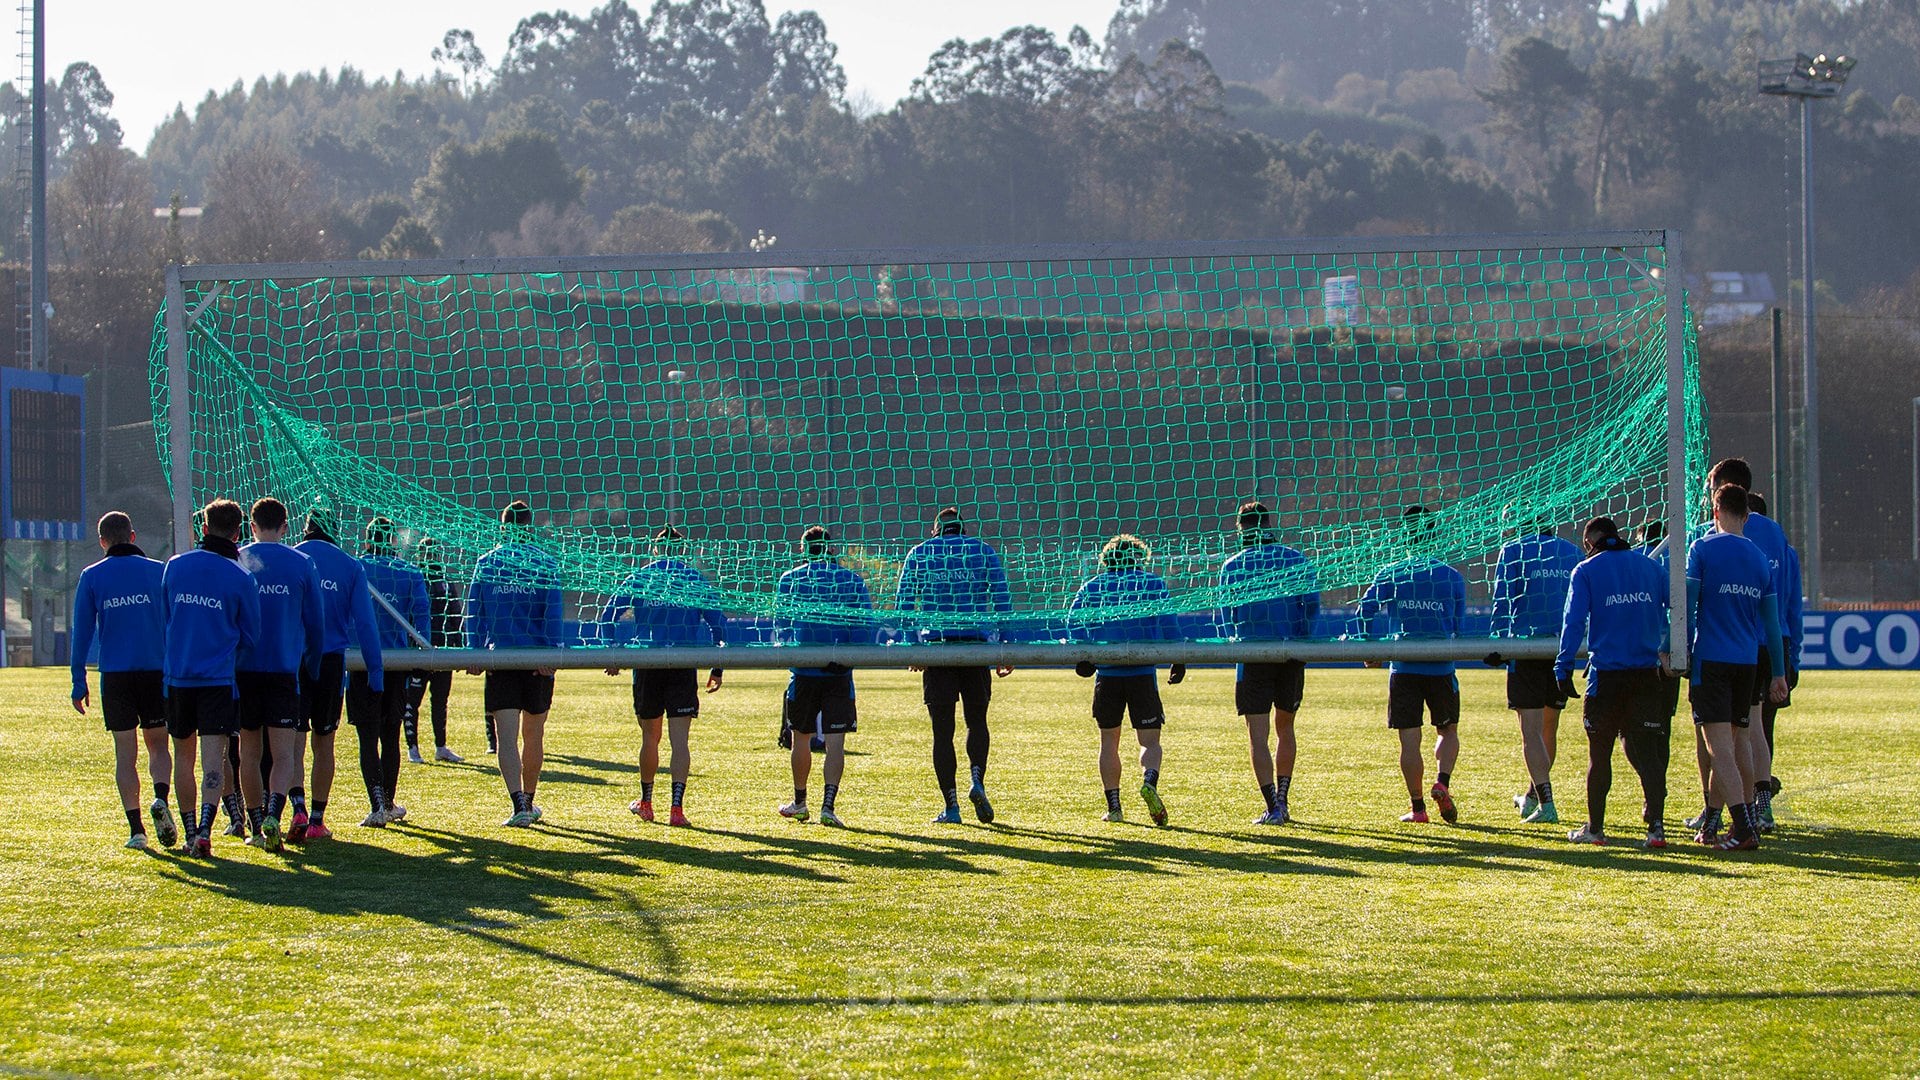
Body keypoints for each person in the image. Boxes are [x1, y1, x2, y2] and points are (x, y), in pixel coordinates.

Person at [1681, 458, 1793, 839]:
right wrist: (1780, 671)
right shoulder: (1764, 552)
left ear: (1717, 505)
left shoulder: (1703, 545)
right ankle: (1735, 817)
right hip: (1752, 657)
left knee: (1716, 745)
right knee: (1745, 736)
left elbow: (1688, 608)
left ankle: (1741, 825)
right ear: (1747, 510)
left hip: (1712, 658)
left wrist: (1673, 648)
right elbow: (1776, 620)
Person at [1554, 517, 1674, 847]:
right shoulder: (1650, 568)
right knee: (1649, 754)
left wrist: (1563, 667)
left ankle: (1595, 829)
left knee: (1600, 754)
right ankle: (1656, 829)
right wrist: (1670, 648)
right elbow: (1677, 608)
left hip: (1605, 678)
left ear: (1590, 543)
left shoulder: (1586, 571)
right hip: (1647, 676)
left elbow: (1573, 622)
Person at [597, 526, 726, 828]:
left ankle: (647, 802)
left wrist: (613, 650)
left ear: (655, 549)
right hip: (683, 664)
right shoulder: (693, 578)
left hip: (648, 664)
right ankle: (676, 809)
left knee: (650, 738)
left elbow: (607, 616)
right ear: (682, 550)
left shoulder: (642, 576)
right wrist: (717, 667)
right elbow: (719, 625)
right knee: (680, 741)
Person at [896, 507, 1013, 825]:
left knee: (942, 733)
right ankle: (977, 779)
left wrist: (913, 645)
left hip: (938, 650)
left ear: (936, 530)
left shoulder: (920, 553)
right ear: (963, 529)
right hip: (975, 648)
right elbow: (1002, 598)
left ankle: (952, 807)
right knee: (977, 722)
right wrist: (1006, 644)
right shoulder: (982, 550)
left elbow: (904, 603)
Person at [1355, 506, 1467, 824]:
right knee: (1447, 730)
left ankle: (1418, 809)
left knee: (1409, 740)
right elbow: (1460, 627)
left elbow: (1365, 610)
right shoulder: (1451, 575)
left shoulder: (1392, 572)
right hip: (1441, 667)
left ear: (1404, 536)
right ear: (1434, 535)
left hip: (1403, 668)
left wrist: (1369, 645)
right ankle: (1442, 783)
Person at [161, 499, 261, 857]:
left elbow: (166, 621)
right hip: (218, 681)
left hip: (178, 679)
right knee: (213, 760)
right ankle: (204, 831)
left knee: (182, 759)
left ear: (203, 528)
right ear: (238, 533)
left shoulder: (174, 566)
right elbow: (251, 637)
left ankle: (190, 832)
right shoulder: (240, 577)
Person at [71, 511, 175, 849]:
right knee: (158, 744)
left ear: (102, 541)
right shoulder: (160, 571)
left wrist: (78, 680)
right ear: (133, 536)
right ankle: (161, 798)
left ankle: (137, 830)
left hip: (116, 673)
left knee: (125, 752)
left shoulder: (92, 576)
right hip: (155, 670)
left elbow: (82, 633)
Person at [1068, 534, 1185, 825]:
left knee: (1109, 743)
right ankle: (1150, 782)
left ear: (1106, 559)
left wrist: (1084, 654)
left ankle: (1115, 807)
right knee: (1149, 742)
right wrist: (1178, 658)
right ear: (1138, 557)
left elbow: (1074, 624)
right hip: (1143, 674)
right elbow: (1170, 626)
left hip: (1107, 675)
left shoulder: (1093, 587)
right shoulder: (1152, 583)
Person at [1217, 500, 1319, 826]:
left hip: (1251, 655)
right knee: (1285, 728)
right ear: (1269, 523)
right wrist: (1300, 639)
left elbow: (1225, 618)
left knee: (1257, 735)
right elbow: (1311, 607)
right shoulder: (1295, 559)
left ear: (1241, 527)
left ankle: (1272, 804)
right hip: (1290, 653)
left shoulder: (1233, 566)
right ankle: (1283, 800)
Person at [234, 498, 325, 852]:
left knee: (250, 752)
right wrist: (313, 665)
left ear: (251, 526)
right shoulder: (302, 563)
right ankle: (275, 812)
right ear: (285, 526)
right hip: (285, 671)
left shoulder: (238, 560)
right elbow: (315, 625)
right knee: (285, 753)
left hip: (245, 671)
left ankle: (256, 826)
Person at [467, 501, 564, 828]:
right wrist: (552, 653)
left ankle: (519, 803)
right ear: (530, 527)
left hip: (501, 658)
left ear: (503, 527)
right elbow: (553, 614)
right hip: (537, 661)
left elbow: (474, 614)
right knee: (533, 735)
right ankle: (529, 800)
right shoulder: (545, 563)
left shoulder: (487, 563)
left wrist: (475, 651)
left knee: (506, 737)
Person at [294, 510, 386, 842]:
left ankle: (297, 807)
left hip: (292, 659)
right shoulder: (349, 565)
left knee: (292, 740)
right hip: (331, 663)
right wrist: (375, 670)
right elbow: (365, 624)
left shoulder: (292, 557)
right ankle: (317, 819)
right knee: (324, 742)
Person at [774, 525, 874, 827]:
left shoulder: (790, 580)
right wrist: (846, 656)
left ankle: (801, 802)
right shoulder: (851, 580)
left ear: (803, 548)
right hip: (838, 672)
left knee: (800, 740)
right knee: (835, 743)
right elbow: (864, 627)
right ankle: (827, 807)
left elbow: (781, 627)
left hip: (804, 672)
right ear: (830, 548)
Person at [1489, 512, 1581, 825]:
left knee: (1530, 731)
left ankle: (1547, 802)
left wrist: (1497, 642)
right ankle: (1531, 797)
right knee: (1547, 729)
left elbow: (1503, 599)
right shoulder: (1571, 551)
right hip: (1560, 649)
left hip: (1526, 647)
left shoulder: (1513, 549)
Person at [355, 517, 431, 827]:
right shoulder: (410, 572)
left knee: (367, 737)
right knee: (390, 736)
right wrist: (424, 654)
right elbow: (422, 617)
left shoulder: (357, 568)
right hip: (396, 664)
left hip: (360, 662)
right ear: (395, 541)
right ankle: (387, 800)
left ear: (368, 539)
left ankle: (377, 804)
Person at [1748, 490, 1800, 829]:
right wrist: (1792, 656)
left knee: (1737, 728)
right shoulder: (1785, 549)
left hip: (1745, 645)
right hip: (1777, 644)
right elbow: (1793, 607)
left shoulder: (1730, 543)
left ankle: (1745, 803)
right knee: (1763, 726)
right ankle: (1761, 799)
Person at [404, 536, 464, 764]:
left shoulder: (445, 582)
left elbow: (455, 615)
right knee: (413, 701)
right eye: (427, 552)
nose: (431, 557)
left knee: (440, 700)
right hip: (418, 653)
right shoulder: (414, 579)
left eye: (434, 552)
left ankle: (440, 747)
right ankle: (413, 748)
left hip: (442, 652)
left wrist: (457, 648)